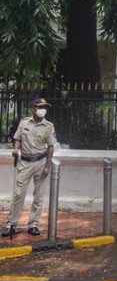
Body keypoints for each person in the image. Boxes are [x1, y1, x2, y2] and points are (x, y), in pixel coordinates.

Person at [2, 98, 57, 237]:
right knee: (18, 194)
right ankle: (11, 224)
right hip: (25, 162)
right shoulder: (24, 122)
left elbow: (50, 147)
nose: (43, 109)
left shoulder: (49, 126)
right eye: (40, 107)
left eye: (45, 107)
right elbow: (18, 139)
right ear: (33, 108)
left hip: (41, 161)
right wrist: (15, 149)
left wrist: (47, 166)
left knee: (38, 195)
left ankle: (33, 224)